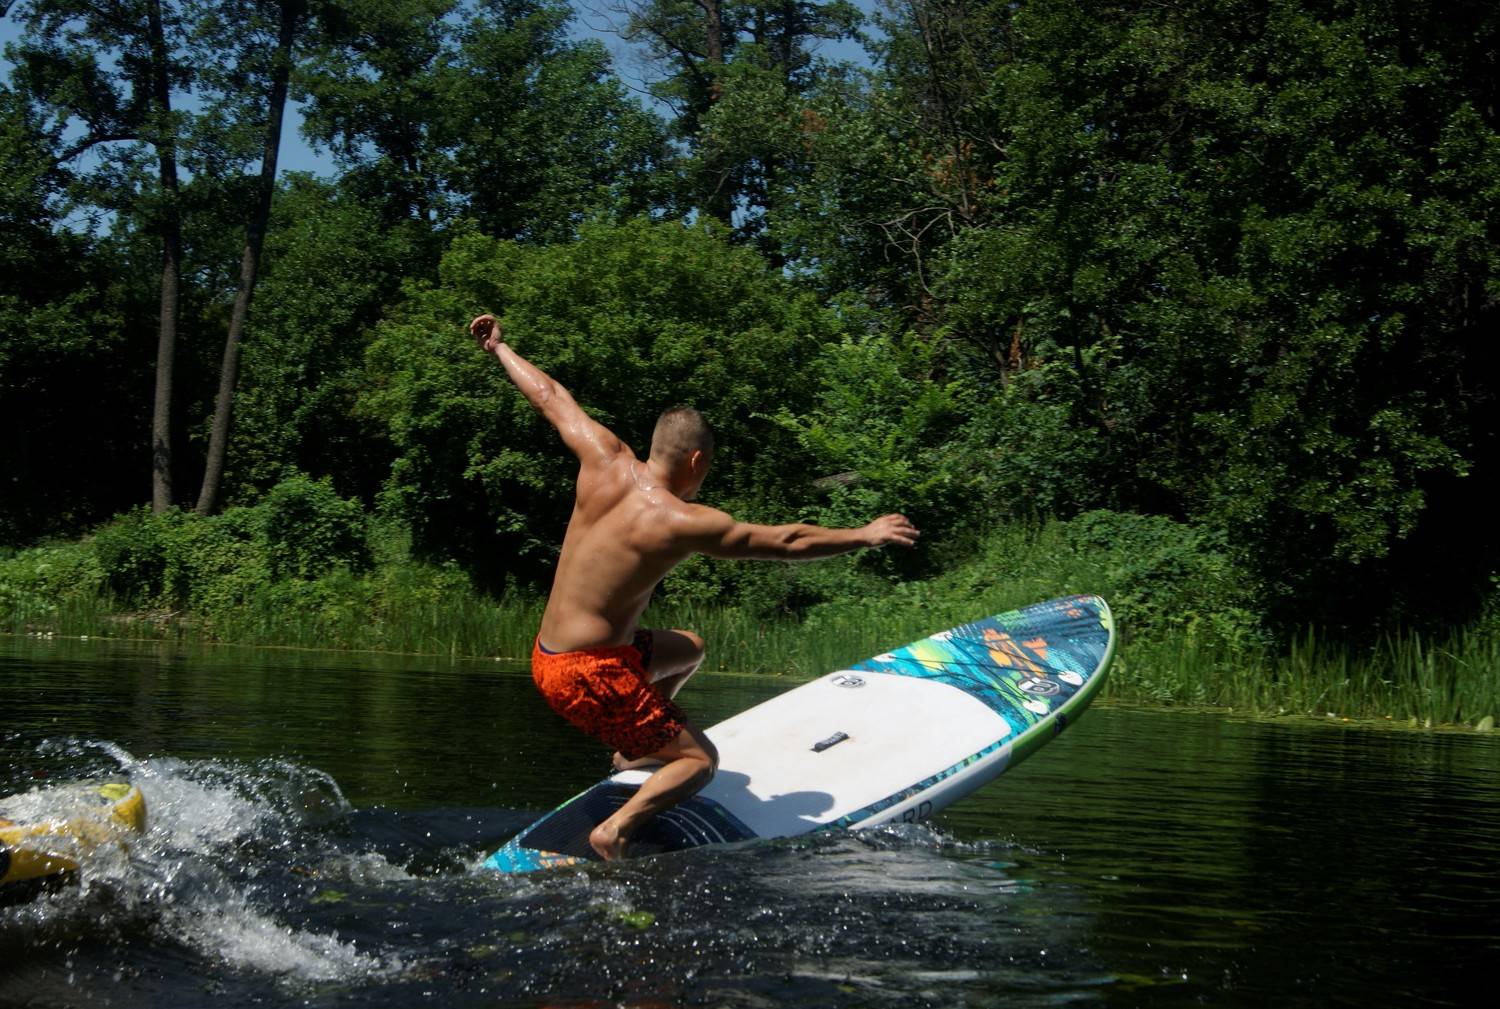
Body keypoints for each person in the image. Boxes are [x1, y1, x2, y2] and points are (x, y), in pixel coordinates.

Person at [469, 313, 920, 860]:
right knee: (701, 762)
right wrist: (864, 535)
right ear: (696, 461)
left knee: (688, 649)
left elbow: (550, 397)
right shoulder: (679, 520)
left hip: (550, 655)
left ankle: (636, 752)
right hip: (588, 672)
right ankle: (615, 830)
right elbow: (787, 540)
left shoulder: (604, 458)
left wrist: (500, 348)